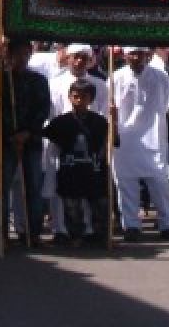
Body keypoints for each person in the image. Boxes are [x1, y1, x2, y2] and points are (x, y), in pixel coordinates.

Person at [111, 46, 169, 241]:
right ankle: (131, 225)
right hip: (124, 137)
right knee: (126, 182)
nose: (136, 58)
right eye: (132, 54)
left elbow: (165, 103)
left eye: (140, 54)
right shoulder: (116, 77)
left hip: (153, 135)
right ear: (125, 55)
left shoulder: (160, 76)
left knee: (159, 180)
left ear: (147, 55)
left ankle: (168, 224)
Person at [42, 78, 115, 248]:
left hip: (94, 171)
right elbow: (45, 135)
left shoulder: (100, 122)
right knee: (72, 210)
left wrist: (115, 120)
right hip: (70, 172)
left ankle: (101, 237)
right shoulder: (61, 122)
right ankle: (75, 236)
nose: (79, 101)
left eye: (84, 97)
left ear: (91, 99)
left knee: (100, 207)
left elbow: (112, 141)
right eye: (75, 96)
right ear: (69, 97)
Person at [0, 37, 51, 245]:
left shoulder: (38, 80)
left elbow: (43, 110)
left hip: (32, 140)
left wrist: (27, 132)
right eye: (17, 53)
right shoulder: (2, 80)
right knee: (3, 186)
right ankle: (1, 232)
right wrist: (12, 133)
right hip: (8, 141)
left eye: (25, 53)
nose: (21, 58)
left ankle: (32, 232)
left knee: (33, 186)